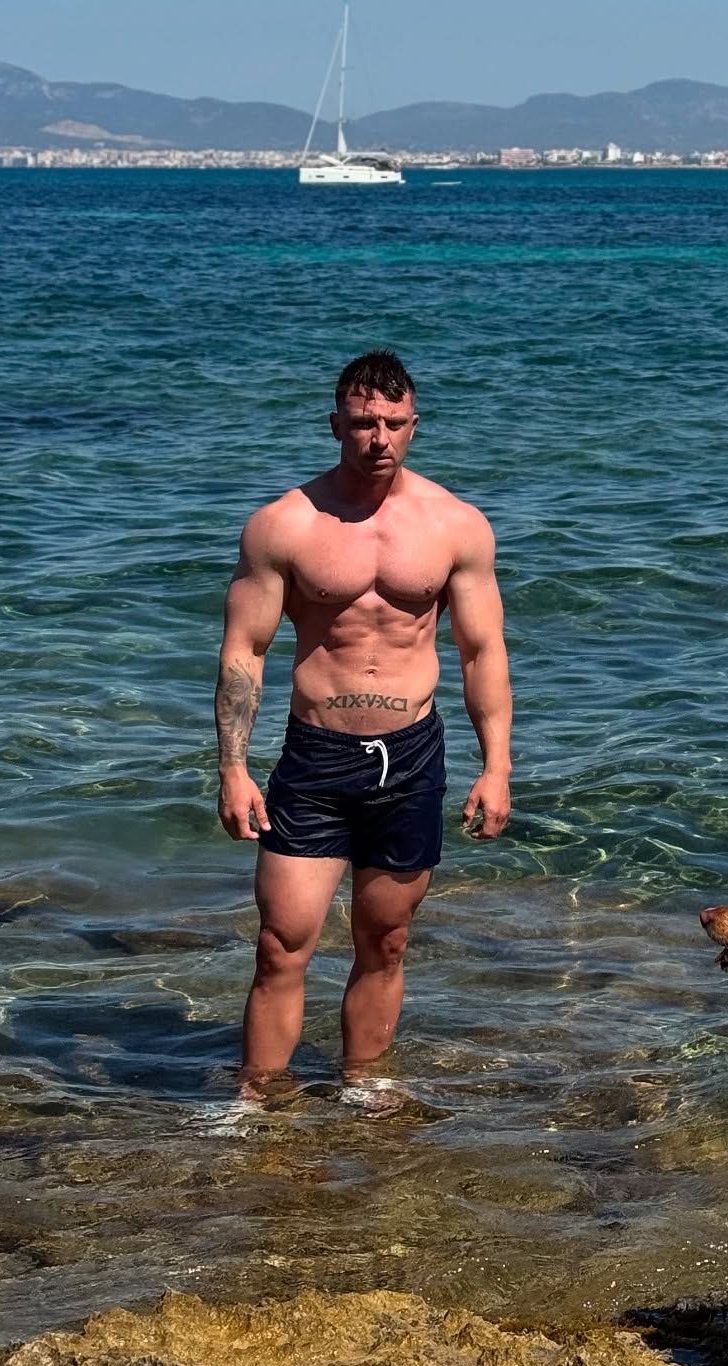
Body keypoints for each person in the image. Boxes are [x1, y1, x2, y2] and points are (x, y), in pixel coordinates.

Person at [215, 350, 512, 1093]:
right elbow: (245, 651)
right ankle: (257, 1103)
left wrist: (497, 765)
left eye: (393, 423)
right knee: (281, 944)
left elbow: (481, 651)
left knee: (387, 940)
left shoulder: (456, 526)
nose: (378, 438)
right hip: (316, 759)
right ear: (335, 425)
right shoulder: (284, 525)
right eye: (362, 423)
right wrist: (233, 767)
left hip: (411, 758)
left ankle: (365, 1090)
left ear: (415, 425)